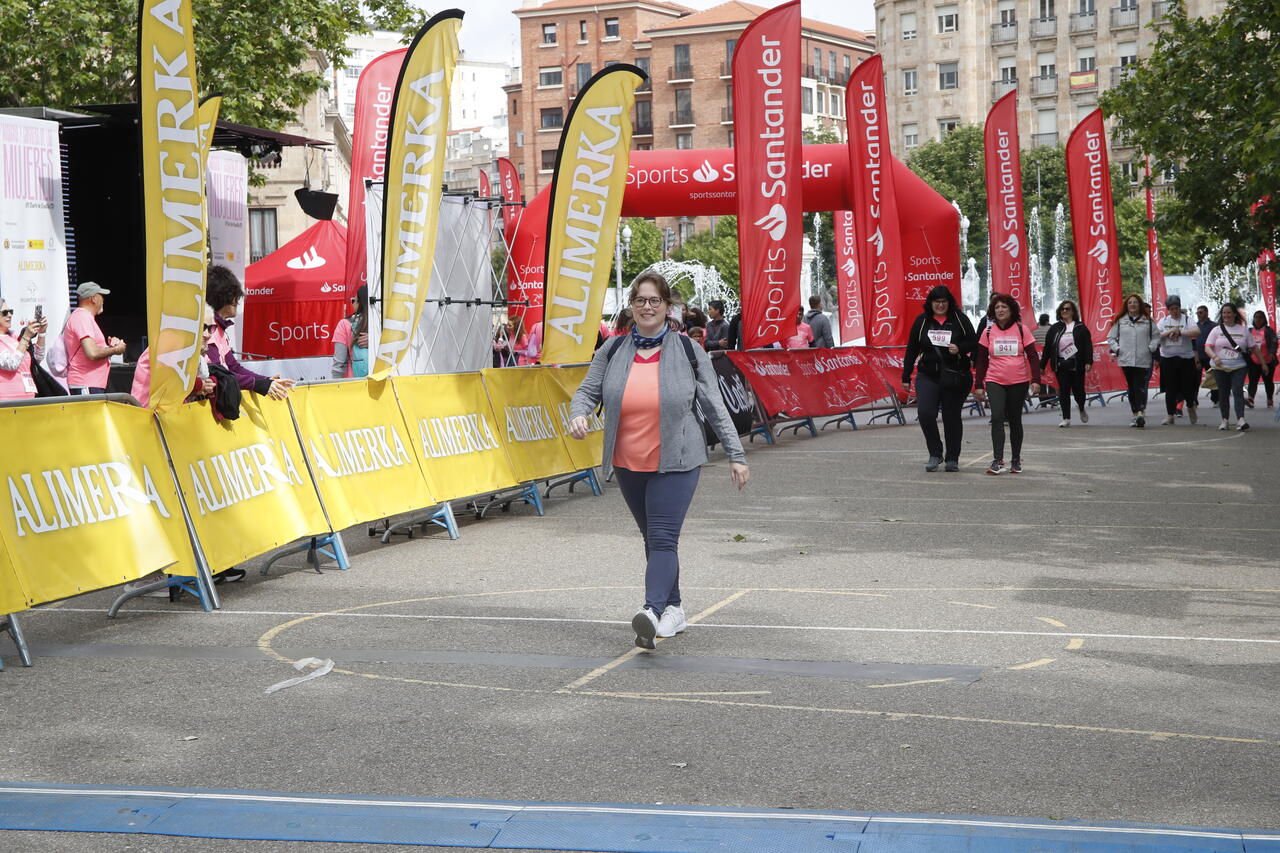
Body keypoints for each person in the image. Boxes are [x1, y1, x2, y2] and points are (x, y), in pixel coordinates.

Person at [568, 272, 749, 651]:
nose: (647, 308)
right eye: (640, 301)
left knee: (663, 536)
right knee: (654, 539)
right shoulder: (613, 350)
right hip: (628, 460)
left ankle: (650, 611)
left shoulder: (687, 349)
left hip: (678, 459)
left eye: (655, 301)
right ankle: (675, 608)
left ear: (668, 308)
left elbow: (715, 406)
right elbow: (587, 390)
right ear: (631, 307)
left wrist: (736, 454)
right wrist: (580, 414)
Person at [902, 285, 977, 472]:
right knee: (926, 413)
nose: (940, 305)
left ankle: (952, 458)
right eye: (937, 301)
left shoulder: (960, 319)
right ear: (930, 303)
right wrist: (906, 375)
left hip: (954, 375)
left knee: (951, 416)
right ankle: (935, 453)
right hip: (928, 375)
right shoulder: (922, 321)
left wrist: (959, 347)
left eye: (944, 301)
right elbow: (912, 349)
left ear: (949, 302)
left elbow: (974, 342)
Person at [973, 293, 1040, 474]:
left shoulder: (1021, 329)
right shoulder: (988, 331)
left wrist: (1035, 380)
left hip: (1018, 381)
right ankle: (997, 459)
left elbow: (1033, 356)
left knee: (1015, 420)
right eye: (997, 307)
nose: (1000, 310)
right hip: (995, 380)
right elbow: (981, 360)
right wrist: (978, 384)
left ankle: (1016, 459)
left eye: (1004, 307)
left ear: (1011, 310)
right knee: (996, 417)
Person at [206, 265, 294, 400]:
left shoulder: (219, 329)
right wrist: (260, 384)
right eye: (233, 294)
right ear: (221, 296)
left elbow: (233, 367)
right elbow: (221, 376)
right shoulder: (209, 330)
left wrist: (266, 380)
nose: (237, 300)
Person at [131, 306, 218, 408]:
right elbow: (169, 379)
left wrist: (210, 382)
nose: (208, 335)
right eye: (202, 327)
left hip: (171, 415)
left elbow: (214, 372)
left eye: (210, 328)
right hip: (147, 415)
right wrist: (199, 385)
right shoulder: (167, 342)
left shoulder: (194, 349)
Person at [1205, 303, 1261, 430]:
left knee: (1237, 391)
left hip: (1239, 366)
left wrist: (1263, 363)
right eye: (1224, 313)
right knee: (1223, 393)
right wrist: (1215, 357)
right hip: (1220, 367)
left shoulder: (1243, 330)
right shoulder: (1216, 330)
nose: (1226, 315)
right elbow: (1207, 347)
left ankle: (1241, 419)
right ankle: (1224, 420)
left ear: (1235, 314)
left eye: (1229, 312)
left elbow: (1254, 348)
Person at [64, 281, 126, 395]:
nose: (103, 300)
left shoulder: (83, 317)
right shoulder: (82, 317)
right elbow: (92, 353)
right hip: (86, 383)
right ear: (94, 298)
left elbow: (89, 350)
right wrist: (116, 350)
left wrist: (109, 347)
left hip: (90, 383)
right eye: (101, 296)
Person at [1106, 293, 1158, 428]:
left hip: (1143, 358)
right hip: (1126, 358)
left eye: (1135, 302)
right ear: (1126, 306)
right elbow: (1111, 337)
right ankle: (1135, 413)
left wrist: (1151, 348)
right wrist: (1117, 349)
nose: (1133, 304)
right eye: (1130, 303)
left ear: (1139, 304)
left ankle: (1140, 412)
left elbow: (1156, 337)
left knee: (1140, 386)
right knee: (1131, 386)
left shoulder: (1148, 320)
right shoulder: (1120, 320)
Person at [1041, 299, 1093, 428]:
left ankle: (1081, 407)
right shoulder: (1055, 328)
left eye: (1068, 308)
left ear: (1073, 311)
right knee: (1064, 391)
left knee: (1078, 390)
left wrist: (1088, 361)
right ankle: (1066, 418)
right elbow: (1048, 347)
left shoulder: (1080, 327)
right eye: (1062, 309)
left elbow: (1088, 345)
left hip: (1077, 363)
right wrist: (1042, 365)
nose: (1065, 311)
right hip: (1061, 364)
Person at [1155, 294, 1201, 425]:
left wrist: (1180, 332)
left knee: (1187, 388)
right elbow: (1156, 336)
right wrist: (1168, 333)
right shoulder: (1164, 321)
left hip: (1185, 358)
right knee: (1170, 389)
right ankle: (1170, 415)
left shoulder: (1187, 320)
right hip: (1168, 358)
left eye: (1177, 308)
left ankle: (1191, 408)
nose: (1175, 311)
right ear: (1168, 310)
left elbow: (1197, 332)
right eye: (1172, 309)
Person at [0, 299, 47, 401]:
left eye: (10, 311)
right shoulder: (21, 339)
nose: (9, 315)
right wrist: (26, 337)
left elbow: (37, 358)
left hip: (29, 397)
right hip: (7, 400)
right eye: (4, 312)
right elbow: (12, 364)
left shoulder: (15, 338)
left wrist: (42, 333)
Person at [331, 286, 370, 378]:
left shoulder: (344, 324)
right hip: (384, 380)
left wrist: (335, 385)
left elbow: (339, 363)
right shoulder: (383, 322)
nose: (352, 303)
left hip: (355, 382)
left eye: (354, 300)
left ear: (360, 303)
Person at [1246, 310, 1277, 408]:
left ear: (1264, 319)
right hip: (1253, 361)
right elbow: (1245, 343)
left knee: (1268, 381)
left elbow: (1274, 342)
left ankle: (1269, 399)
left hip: (1267, 360)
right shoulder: (1250, 331)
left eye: (1260, 317)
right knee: (1252, 381)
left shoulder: (1268, 330)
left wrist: (1272, 353)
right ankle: (1250, 399)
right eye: (1256, 317)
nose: (1258, 319)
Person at [1194, 304, 1217, 404]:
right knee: (1194, 380)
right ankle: (1194, 399)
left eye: (1201, 312)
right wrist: (1196, 358)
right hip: (1198, 356)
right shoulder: (1195, 326)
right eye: (1197, 313)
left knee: (1213, 379)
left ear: (1206, 313)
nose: (1198, 314)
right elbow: (1193, 342)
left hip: (1210, 356)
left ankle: (1216, 399)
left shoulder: (1214, 326)